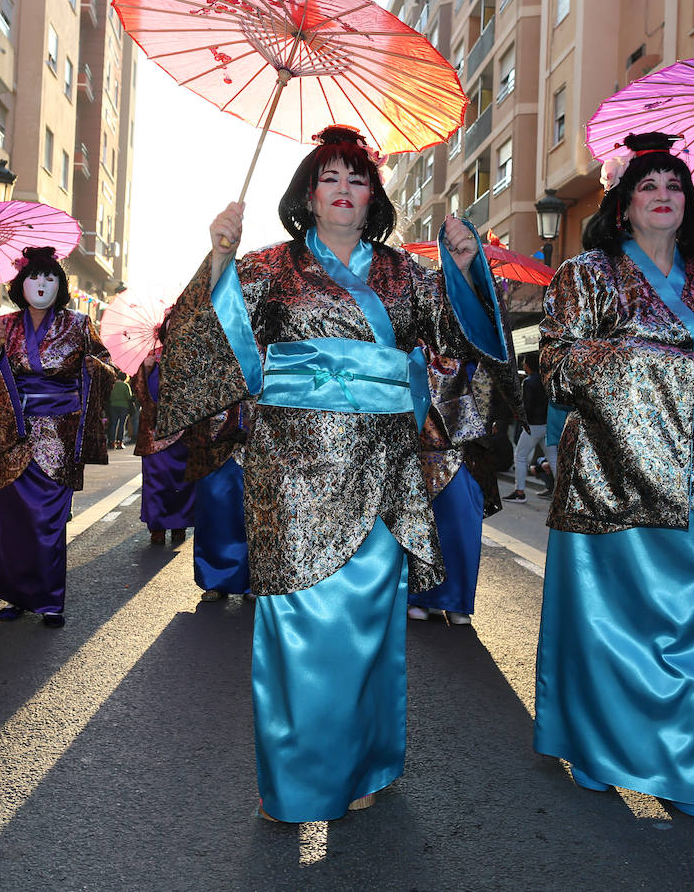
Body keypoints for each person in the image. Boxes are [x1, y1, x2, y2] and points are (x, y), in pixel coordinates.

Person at [158, 125, 517, 823]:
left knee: (368, 620)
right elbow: (197, 332)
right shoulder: (269, 264)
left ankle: (364, 761)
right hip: (291, 464)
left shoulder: (405, 273)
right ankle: (297, 779)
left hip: (382, 463)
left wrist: (469, 268)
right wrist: (219, 260)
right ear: (307, 194)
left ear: (374, 194)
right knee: (295, 618)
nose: (345, 190)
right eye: (330, 178)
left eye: (357, 177)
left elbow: (458, 336)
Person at [534, 131, 694, 818]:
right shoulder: (583, 275)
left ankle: (680, 768)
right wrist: (673, 378)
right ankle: (599, 754)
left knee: (689, 630)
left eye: (674, 185)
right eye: (648, 185)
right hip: (608, 478)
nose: (663, 195)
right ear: (622, 205)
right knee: (605, 627)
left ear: (690, 203)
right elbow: (555, 369)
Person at [0, 246, 114, 628]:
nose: (42, 283)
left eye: (50, 276)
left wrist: (92, 366)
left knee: (47, 522)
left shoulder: (81, 323)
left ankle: (49, 600)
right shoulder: (5, 324)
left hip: (59, 434)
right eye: (34, 276)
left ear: (61, 284)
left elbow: (108, 369)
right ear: (20, 283)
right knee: (10, 520)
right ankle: (15, 596)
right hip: (12, 435)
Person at [407, 350, 506, 625]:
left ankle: (457, 599)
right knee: (430, 520)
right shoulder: (423, 345)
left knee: (463, 523)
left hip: (469, 452)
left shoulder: (480, 352)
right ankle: (422, 596)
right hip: (428, 446)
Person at [186, 403, 251, 602]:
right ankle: (214, 580)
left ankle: (252, 581)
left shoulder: (260, 374)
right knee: (213, 518)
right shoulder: (206, 378)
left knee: (247, 518)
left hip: (247, 454)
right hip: (211, 457)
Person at [133, 341, 194, 546]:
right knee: (155, 482)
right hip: (154, 431)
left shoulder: (189, 355)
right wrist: (144, 369)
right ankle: (157, 527)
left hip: (183, 431)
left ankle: (179, 525)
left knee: (181, 482)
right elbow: (139, 394)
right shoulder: (150, 357)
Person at [505, 352, 547, 503]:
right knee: (553, 459)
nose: (523, 365)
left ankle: (520, 492)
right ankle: (561, 494)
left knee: (520, 456)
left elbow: (527, 407)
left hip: (533, 425)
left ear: (528, 365)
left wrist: (520, 417)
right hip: (546, 424)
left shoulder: (528, 382)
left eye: (524, 363)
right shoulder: (546, 379)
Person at [108, 371, 133, 449]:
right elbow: (129, 397)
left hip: (113, 406)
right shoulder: (125, 385)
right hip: (124, 406)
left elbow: (109, 396)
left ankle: (112, 442)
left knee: (113, 424)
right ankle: (120, 442)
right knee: (122, 424)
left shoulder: (113, 385)